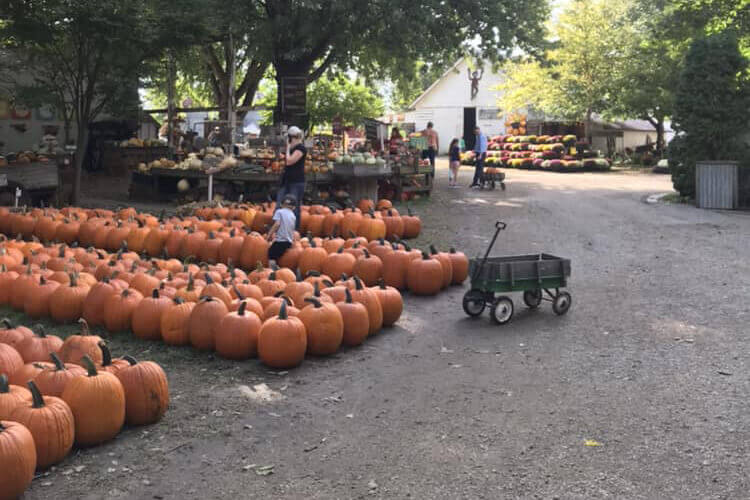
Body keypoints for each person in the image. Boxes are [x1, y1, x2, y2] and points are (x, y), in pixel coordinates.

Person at [277, 125, 306, 229]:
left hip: (296, 182)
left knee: (294, 207)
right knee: (280, 204)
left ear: (291, 138)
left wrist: (288, 148)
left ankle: (295, 230)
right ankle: (279, 228)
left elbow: (289, 161)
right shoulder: (293, 149)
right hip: (287, 181)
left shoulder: (301, 148)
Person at [267, 194, 297, 263]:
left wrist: (269, 234)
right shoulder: (293, 216)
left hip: (280, 241)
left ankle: (273, 269)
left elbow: (277, 224)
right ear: (294, 207)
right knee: (280, 256)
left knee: (271, 254)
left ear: (281, 204)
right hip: (289, 242)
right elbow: (292, 229)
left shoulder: (279, 212)